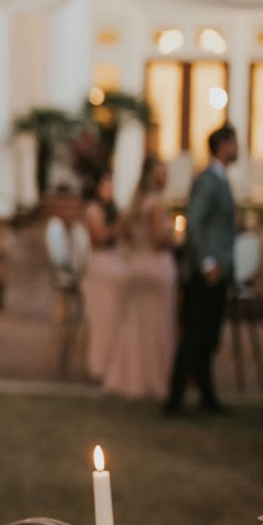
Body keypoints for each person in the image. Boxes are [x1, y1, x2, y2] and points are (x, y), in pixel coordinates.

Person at [164, 124, 239, 414]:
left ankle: (208, 397)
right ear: (223, 145)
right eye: (234, 143)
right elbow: (194, 223)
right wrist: (208, 262)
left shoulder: (219, 179)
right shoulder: (209, 180)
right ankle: (175, 399)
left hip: (218, 269)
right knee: (196, 335)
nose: (237, 149)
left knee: (207, 337)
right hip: (206, 273)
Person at [104, 157, 176, 398]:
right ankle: (153, 380)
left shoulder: (134, 204)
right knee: (156, 329)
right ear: (154, 176)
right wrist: (173, 237)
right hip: (155, 270)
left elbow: (120, 234)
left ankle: (129, 379)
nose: (165, 177)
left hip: (135, 269)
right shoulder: (155, 203)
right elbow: (158, 239)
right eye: (162, 173)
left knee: (134, 328)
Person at [81, 170, 125, 381]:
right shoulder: (93, 210)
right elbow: (99, 238)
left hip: (113, 264)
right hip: (100, 267)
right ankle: (99, 366)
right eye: (107, 185)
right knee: (104, 320)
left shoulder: (110, 210)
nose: (111, 190)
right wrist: (119, 227)